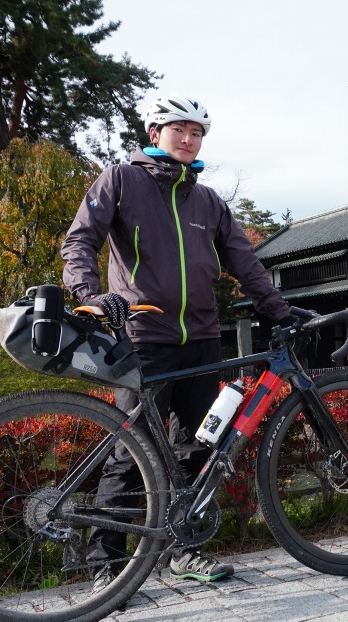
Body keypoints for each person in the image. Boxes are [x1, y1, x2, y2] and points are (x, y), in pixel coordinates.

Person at [62, 94, 292, 589]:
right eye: (178, 130)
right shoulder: (121, 180)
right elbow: (80, 239)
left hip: (203, 338)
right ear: (154, 133)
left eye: (197, 133)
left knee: (197, 447)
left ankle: (185, 551)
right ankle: (106, 564)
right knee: (131, 451)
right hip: (144, 337)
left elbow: (244, 262)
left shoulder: (207, 200)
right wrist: (90, 294)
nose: (188, 140)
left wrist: (279, 309)